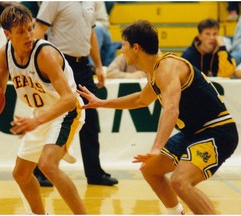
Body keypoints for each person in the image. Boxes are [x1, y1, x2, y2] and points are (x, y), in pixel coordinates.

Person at [77, 20, 239, 214]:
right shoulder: (155, 70)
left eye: (124, 45)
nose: (121, 50)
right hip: (194, 133)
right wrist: (102, 102)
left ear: (136, 47)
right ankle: (176, 213)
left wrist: (156, 147)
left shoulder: (167, 66)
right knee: (150, 170)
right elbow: (140, 100)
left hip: (217, 131)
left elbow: (171, 109)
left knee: (181, 182)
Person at [0, 5, 86, 214]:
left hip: (66, 111)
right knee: (20, 174)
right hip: (41, 115)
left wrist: (36, 122)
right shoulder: (5, 54)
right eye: (21, 32)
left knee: (48, 165)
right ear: (7, 34)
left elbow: (68, 99)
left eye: (30, 28)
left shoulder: (45, 54)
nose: (29, 35)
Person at [34, 1, 118, 187]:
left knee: (90, 117)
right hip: (59, 64)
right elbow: (38, 29)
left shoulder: (91, 2)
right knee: (52, 116)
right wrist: (38, 62)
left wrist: (97, 65)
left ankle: (94, 173)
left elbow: (91, 34)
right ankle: (40, 171)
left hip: (83, 65)